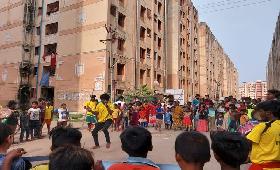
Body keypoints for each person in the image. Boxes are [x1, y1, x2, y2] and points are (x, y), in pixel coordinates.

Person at [246, 100, 280, 169]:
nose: (258, 114)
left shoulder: (263, 126)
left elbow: (246, 142)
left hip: (262, 167)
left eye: (260, 111)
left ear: (268, 113)